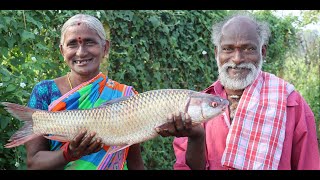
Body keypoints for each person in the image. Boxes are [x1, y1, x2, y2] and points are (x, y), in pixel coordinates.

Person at [156, 14, 320, 170]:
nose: (237, 58)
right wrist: (196, 138)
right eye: (227, 49)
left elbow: (309, 163)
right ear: (216, 53)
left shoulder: (290, 102)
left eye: (248, 49)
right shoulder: (197, 105)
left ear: (262, 52)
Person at [25, 14, 144, 170]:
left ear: (105, 47)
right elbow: (34, 163)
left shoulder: (126, 96)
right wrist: (69, 153)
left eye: (89, 42)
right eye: (72, 44)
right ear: (62, 51)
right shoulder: (45, 92)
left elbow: (135, 161)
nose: (81, 52)